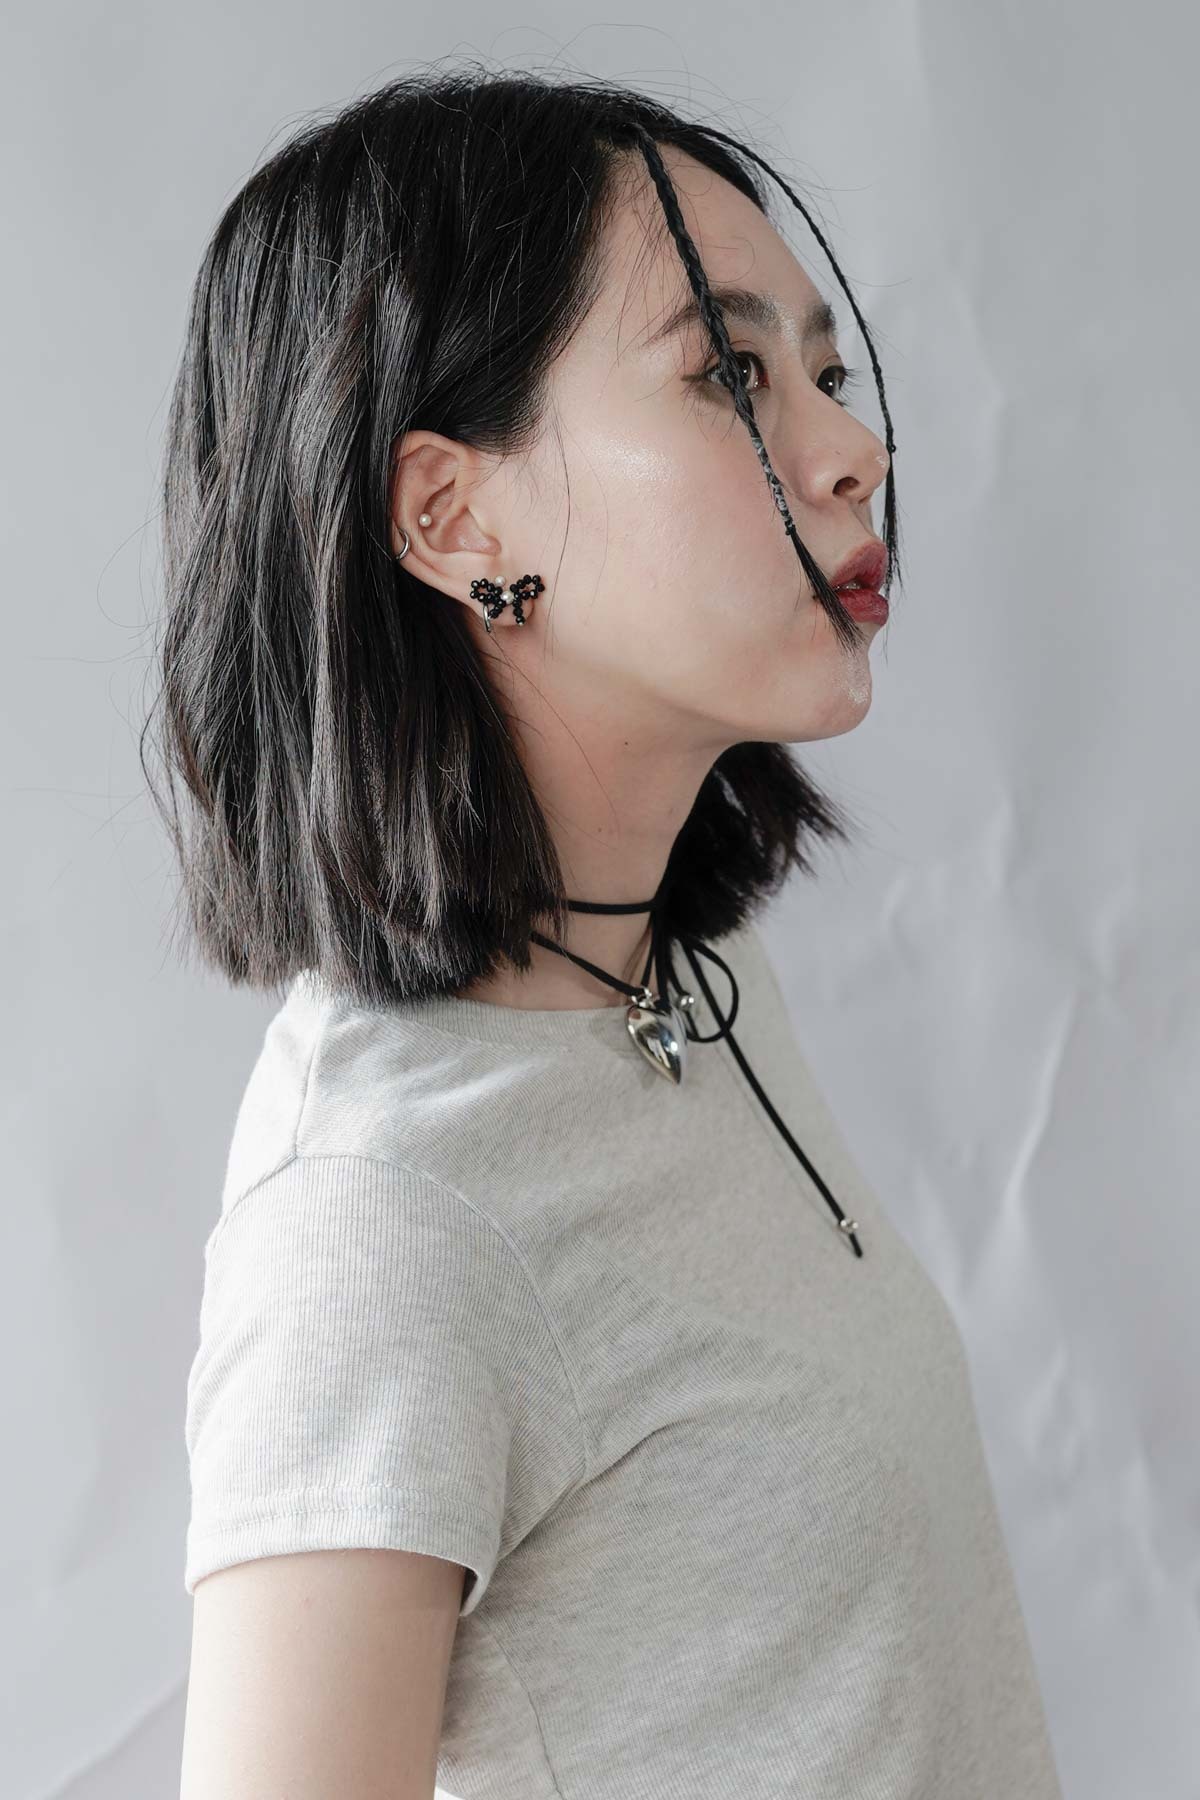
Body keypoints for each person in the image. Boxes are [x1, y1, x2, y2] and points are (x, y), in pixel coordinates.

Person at [151, 63, 1064, 1800]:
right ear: (454, 519)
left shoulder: (683, 989)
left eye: (826, 374)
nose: (853, 451)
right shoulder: (383, 1215)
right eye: (729, 374)